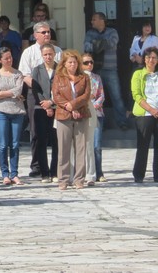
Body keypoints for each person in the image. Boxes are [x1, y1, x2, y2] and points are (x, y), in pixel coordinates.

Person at [20, 21, 62, 178]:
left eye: (48, 32)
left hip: (56, 95)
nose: (47, 35)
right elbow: (25, 75)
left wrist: (52, 98)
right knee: (37, 132)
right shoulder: (29, 52)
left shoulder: (58, 51)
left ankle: (55, 168)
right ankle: (37, 165)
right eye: (43, 32)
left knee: (56, 132)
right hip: (35, 94)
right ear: (35, 34)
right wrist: (42, 93)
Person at [51, 49, 91, 190]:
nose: (73, 65)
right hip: (63, 115)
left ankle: (79, 179)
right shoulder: (58, 77)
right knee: (64, 148)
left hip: (81, 115)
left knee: (80, 148)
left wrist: (74, 106)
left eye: (75, 62)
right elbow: (57, 96)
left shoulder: (84, 77)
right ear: (64, 64)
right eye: (70, 62)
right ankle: (63, 179)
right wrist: (69, 108)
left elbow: (86, 96)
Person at [84, 12, 128, 130]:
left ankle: (122, 122)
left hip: (110, 69)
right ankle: (97, 122)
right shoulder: (90, 33)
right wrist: (101, 44)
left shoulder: (112, 32)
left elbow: (112, 43)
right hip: (95, 70)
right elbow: (87, 47)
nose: (92, 22)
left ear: (101, 20)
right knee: (95, 96)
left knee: (116, 96)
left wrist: (97, 43)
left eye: (94, 19)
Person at [0, 46, 26, 185]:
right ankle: (5, 173)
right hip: (0, 111)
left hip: (17, 111)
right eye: (6, 58)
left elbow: (18, 91)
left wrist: (3, 93)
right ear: (0, 60)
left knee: (15, 144)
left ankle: (14, 173)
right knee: (3, 144)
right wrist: (11, 93)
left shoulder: (18, 74)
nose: (9, 60)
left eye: (10, 57)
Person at [30, 43, 60, 183]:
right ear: (42, 55)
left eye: (50, 54)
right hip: (40, 108)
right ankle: (44, 173)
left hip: (57, 108)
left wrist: (52, 103)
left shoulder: (60, 69)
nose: (48, 57)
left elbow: (62, 89)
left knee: (56, 141)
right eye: (45, 54)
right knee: (41, 140)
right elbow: (35, 89)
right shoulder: (37, 70)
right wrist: (45, 104)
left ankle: (55, 172)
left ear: (54, 54)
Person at [130, 46, 158, 183]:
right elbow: (137, 95)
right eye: (148, 57)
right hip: (145, 114)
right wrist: (152, 110)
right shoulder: (138, 74)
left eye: (154, 57)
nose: (151, 60)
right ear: (144, 59)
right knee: (143, 146)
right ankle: (139, 174)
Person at [81, 52, 106, 184]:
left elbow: (101, 95)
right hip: (82, 114)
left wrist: (93, 105)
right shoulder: (78, 78)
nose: (89, 64)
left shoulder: (97, 77)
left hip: (97, 113)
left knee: (97, 145)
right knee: (84, 145)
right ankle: (85, 171)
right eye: (86, 62)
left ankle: (99, 172)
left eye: (91, 62)